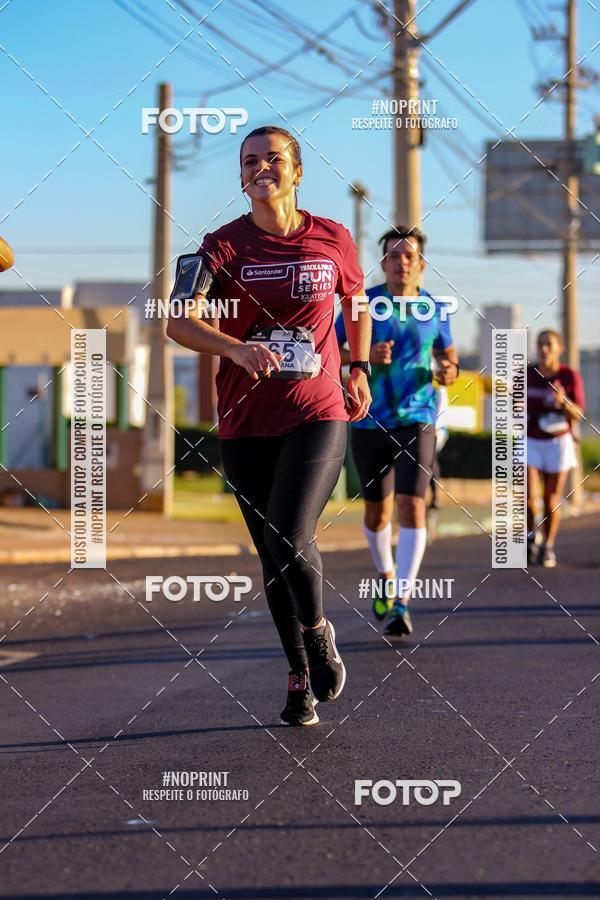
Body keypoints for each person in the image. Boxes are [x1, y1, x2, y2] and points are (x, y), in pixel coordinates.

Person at [167, 125, 372, 726]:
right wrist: (234, 348)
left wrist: (358, 368)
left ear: (297, 171)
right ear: (240, 177)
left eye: (273, 158)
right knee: (270, 551)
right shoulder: (221, 246)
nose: (262, 168)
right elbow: (179, 322)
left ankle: (318, 631)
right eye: (250, 161)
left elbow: (357, 304)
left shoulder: (333, 238)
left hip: (317, 409)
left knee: (288, 532)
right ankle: (299, 678)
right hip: (245, 419)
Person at [336, 226, 459, 636]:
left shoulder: (435, 309)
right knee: (378, 513)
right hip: (369, 418)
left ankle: (401, 601)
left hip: (417, 418)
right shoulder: (363, 305)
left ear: (421, 264)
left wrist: (448, 371)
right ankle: (386, 575)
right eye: (394, 256)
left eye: (409, 256)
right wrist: (364, 356)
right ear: (384, 262)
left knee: (412, 506)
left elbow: (450, 359)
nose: (401, 263)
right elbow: (330, 348)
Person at [527, 329, 585, 568]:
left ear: (559, 349)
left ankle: (547, 546)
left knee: (550, 500)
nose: (544, 349)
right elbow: (512, 408)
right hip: (531, 439)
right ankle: (531, 537)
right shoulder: (526, 374)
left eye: (549, 344)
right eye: (540, 344)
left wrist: (563, 402)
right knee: (530, 499)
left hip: (558, 442)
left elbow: (578, 414)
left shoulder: (569, 376)